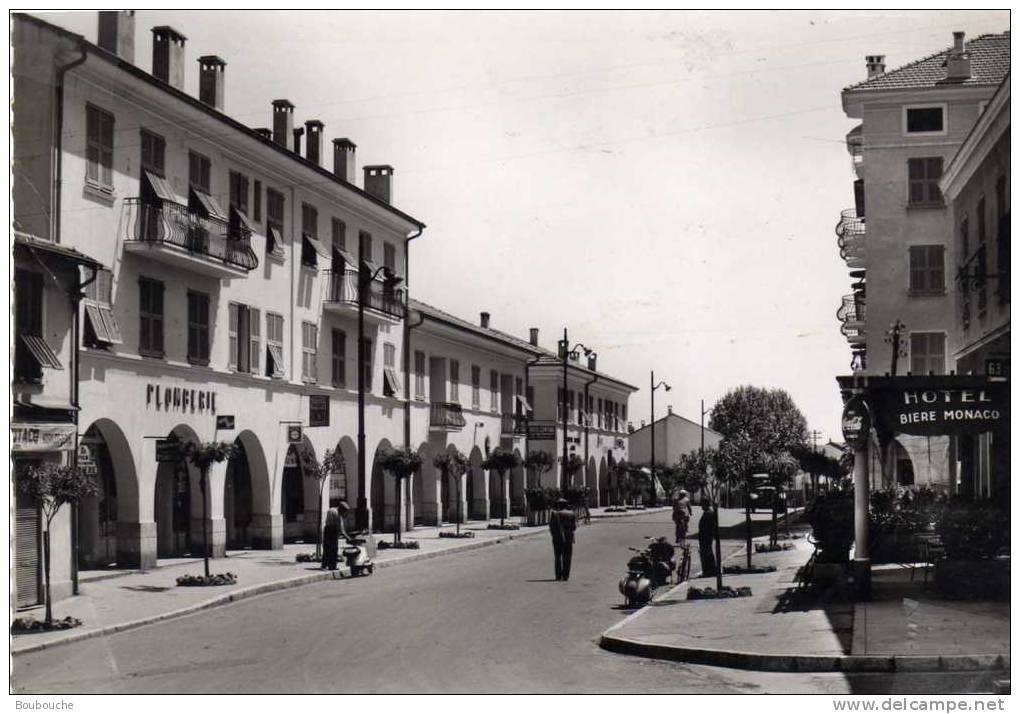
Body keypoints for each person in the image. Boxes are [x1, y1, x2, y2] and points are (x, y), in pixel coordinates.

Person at [549, 497, 577, 581]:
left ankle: (558, 575)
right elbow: (574, 527)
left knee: (558, 557)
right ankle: (566, 575)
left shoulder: (554, 514)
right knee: (567, 557)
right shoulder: (571, 513)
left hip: (557, 539)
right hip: (568, 538)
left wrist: (554, 535)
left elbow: (551, 527)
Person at [697, 500, 718, 577]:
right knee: (706, 554)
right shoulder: (708, 513)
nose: (701, 506)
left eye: (702, 505)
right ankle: (708, 571)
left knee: (706, 554)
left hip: (706, 537)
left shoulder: (709, 513)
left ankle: (708, 572)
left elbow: (709, 527)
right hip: (705, 537)